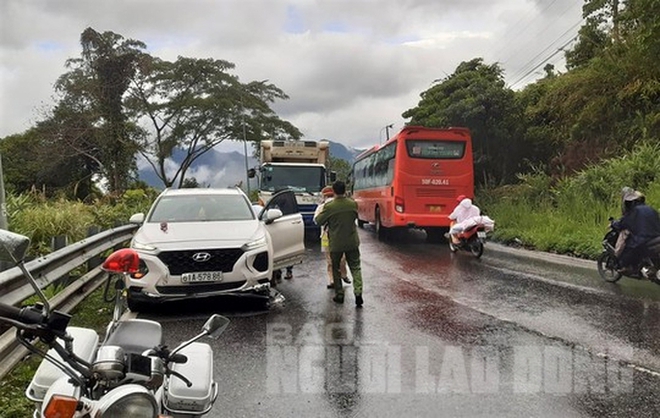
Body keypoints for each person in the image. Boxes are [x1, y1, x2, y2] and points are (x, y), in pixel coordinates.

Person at [314, 180, 364, 307]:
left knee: (335, 268)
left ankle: (339, 294)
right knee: (356, 267)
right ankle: (358, 293)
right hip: (352, 241)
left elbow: (319, 221)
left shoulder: (330, 207)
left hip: (336, 243)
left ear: (334, 191)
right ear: (344, 189)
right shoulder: (352, 204)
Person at [614, 187, 660, 273]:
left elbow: (623, 223)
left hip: (644, 239)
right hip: (656, 237)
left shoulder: (634, 211)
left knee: (629, 248)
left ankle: (629, 267)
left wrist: (614, 224)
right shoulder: (651, 209)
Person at [314, 186, 350, 289]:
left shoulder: (323, 207)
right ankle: (338, 277)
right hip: (333, 235)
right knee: (340, 257)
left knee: (330, 258)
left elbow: (316, 220)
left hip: (326, 236)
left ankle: (335, 278)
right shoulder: (324, 206)